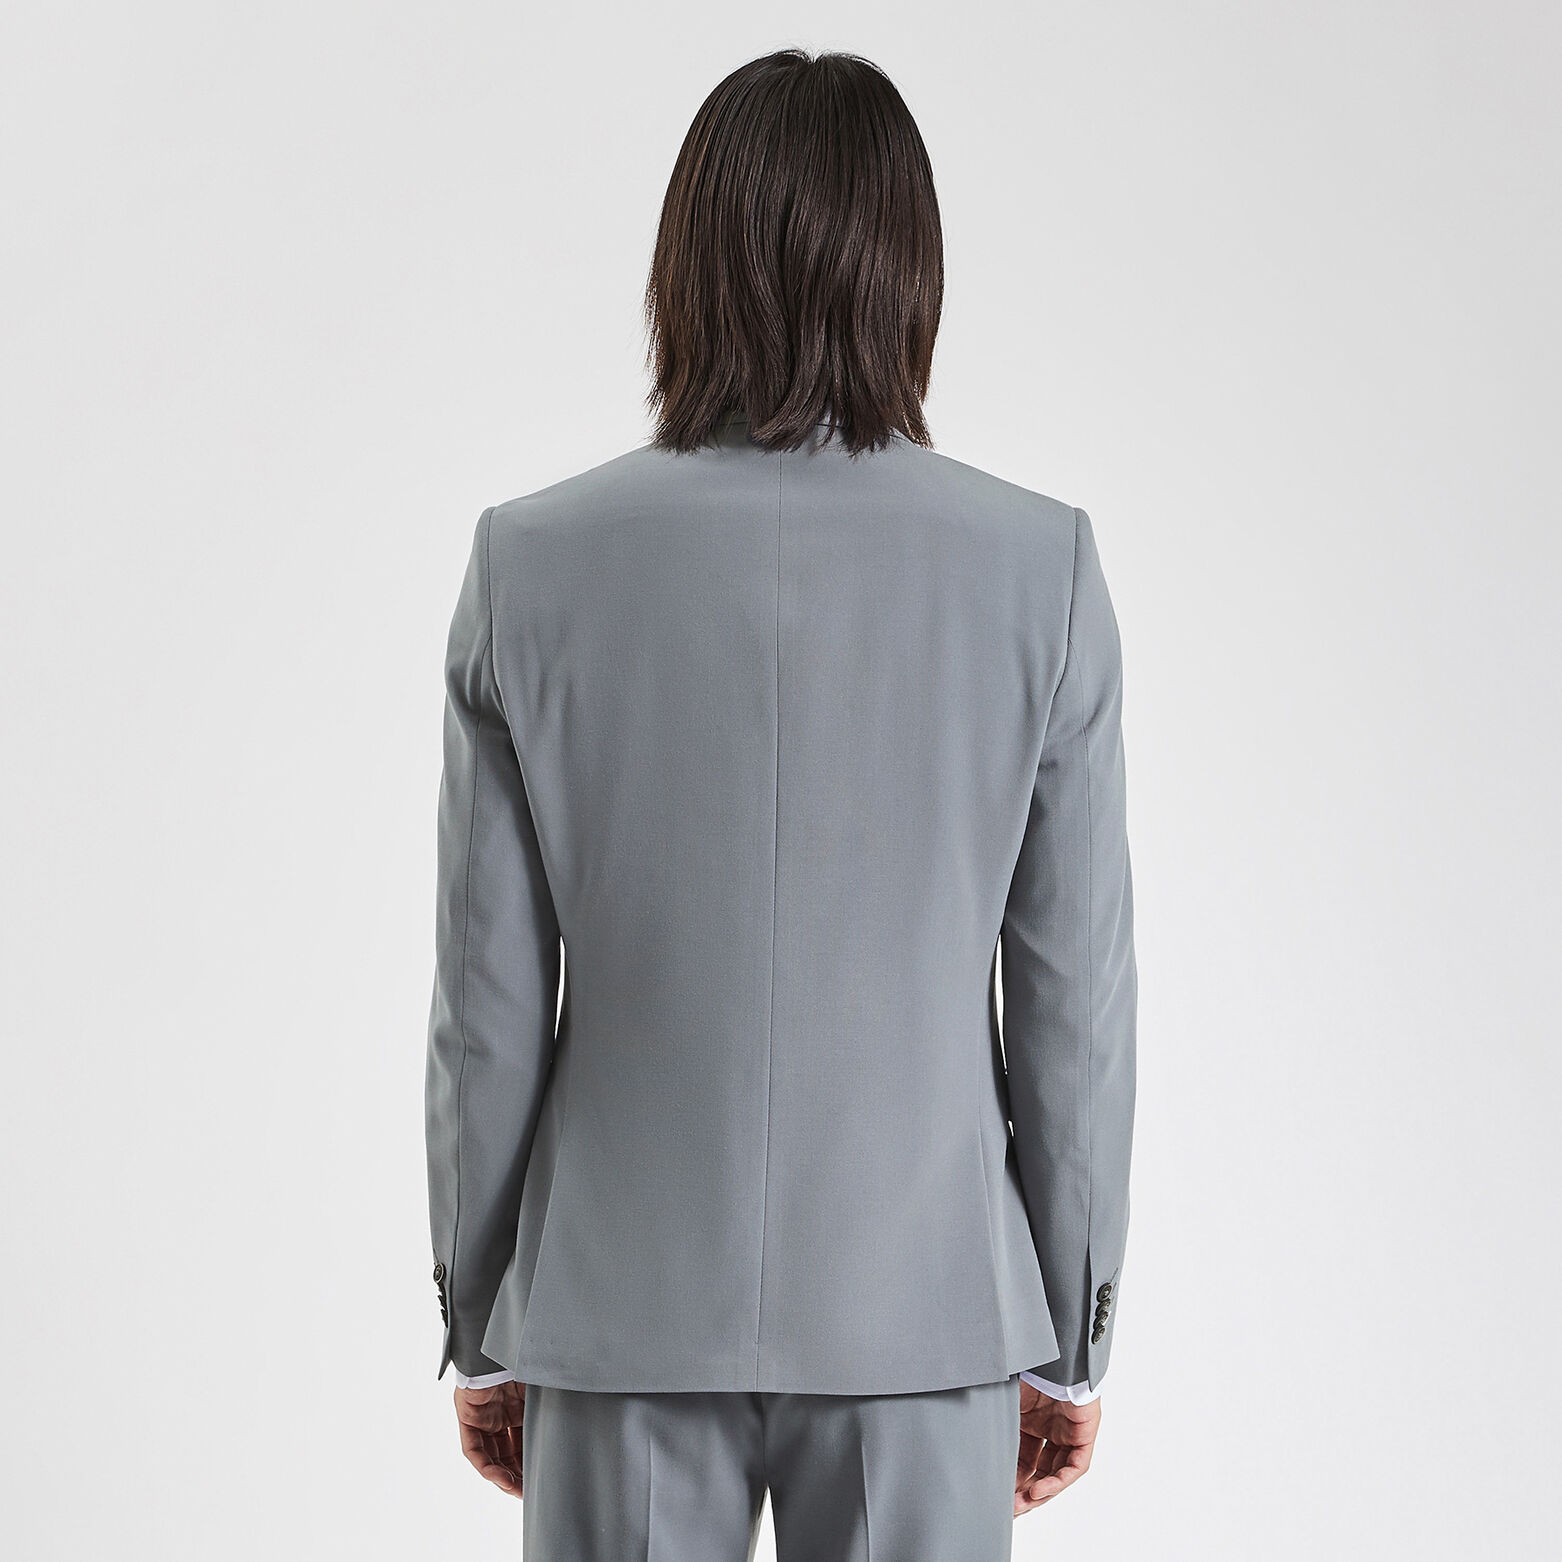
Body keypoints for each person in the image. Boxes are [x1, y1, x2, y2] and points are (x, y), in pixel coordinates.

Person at [424, 47, 1137, 1560]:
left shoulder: (530, 564)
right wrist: (1070, 1333)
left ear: (684, 264)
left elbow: (485, 1006)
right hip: (926, 1312)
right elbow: (1072, 1002)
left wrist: (482, 1320)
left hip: (616, 1310)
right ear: (908, 274)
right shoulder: (1041, 573)